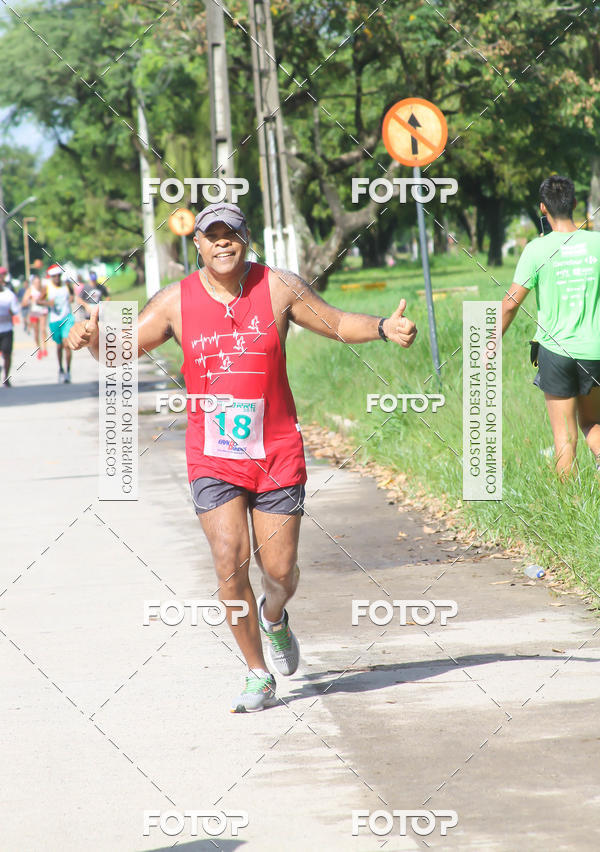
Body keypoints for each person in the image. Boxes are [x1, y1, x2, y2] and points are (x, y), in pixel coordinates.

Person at [67, 202, 418, 712]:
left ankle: (275, 617)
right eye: (211, 235)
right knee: (229, 563)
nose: (222, 242)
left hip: (275, 451)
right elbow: (118, 348)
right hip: (213, 457)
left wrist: (383, 327)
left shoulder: (277, 287)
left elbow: (336, 321)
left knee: (279, 572)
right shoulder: (175, 302)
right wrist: (91, 337)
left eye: (231, 232)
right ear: (198, 245)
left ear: (246, 237)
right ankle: (257, 673)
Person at [502, 175, 600, 476]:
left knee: (564, 436)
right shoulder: (597, 243)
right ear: (573, 204)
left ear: (543, 208)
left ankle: (569, 507)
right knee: (593, 424)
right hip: (594, 351)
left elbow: (510, 303)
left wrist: (489, 341)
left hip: (555, 353)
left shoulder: (536, 250)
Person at [41, 264, 75, 383]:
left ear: (60, 275)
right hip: (55, 320)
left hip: (67, 319)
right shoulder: (47, 287)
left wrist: (71, 298)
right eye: (54, 276)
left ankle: (68, 371)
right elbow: (38, 300)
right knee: (59, 346)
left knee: (67, 344)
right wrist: (47, 303)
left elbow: (72, 295)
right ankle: (61, 369)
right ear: (51, 277)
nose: (56, 278)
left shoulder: (66, 284)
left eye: (58, 275)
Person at [0, 266, 20, 387]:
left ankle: (6, 377)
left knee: (7, 354)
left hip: (7, 329)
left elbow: (15, 311)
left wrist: (9, 312)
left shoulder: (9, 294)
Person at [22, 275, 48, 359]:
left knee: (43, 330)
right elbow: (24, 302)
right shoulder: (30, 290)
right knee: (36, 333)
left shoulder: (43, 288)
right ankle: (39, 349)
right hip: (34, 312)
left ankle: (44, 349)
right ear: (33, 283)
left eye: (39, 282)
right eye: (36, 282)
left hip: (42, 311)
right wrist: (30, 301)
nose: (37, 284)